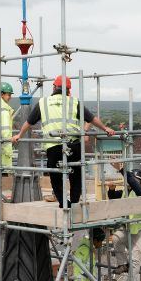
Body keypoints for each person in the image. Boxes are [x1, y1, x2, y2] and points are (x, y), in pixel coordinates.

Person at [11, 75, 115, 208]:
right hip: (73, 144)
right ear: (68, 90)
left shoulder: (43, 103)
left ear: (54, 87)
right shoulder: (74, 102)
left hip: (53, 145)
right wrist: (105, 128)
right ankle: (75, 203)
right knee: (76, 174)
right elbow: (92, 118)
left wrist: (19, 135)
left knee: (55, 175)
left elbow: (29, 122)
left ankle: (63, 203)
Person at [107, 165, 141, 281]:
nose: (127, 183)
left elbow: (135, 185)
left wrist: (123, 170)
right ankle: (122, 264)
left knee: (134, 258)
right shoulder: (126, 192)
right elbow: (114, 197)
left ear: (137, 181)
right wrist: (111, 190)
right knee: (116, 237)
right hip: (130, 228)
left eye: (131, 180)